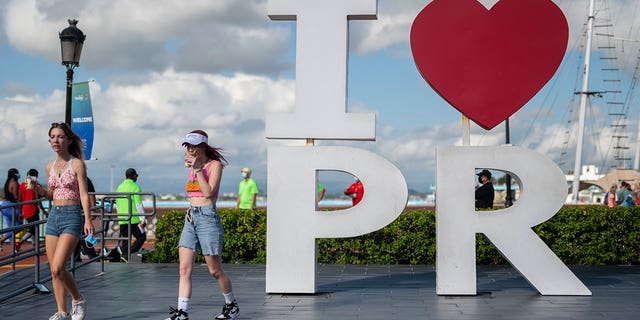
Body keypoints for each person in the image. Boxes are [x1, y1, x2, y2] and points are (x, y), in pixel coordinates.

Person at [164, 130, 239, 320]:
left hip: (207, 217)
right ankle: (182, 312)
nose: (190, 149)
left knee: (214, 270)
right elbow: (192, 191)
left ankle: (231, 305)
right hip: (191, 217)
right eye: (188, 146)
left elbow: (208, 193)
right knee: (184, 268)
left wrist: (198, 170)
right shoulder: (191, 165)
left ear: (203, 146)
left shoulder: (215, 166)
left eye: (194, 146)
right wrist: (193, 167)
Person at [37, 122, 93, 320]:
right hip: (54, 216)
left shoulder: (77, 164)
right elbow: (50, 194)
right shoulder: (48, 166)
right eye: (52, 137)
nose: (55, 140)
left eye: (60, 136)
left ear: (69, 140)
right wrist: (40, 191)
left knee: (58, 267)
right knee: (54, 271)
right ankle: (62, 311)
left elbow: (84, 194)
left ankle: (78, 299)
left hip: (72, 215)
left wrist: (87, 219)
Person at [115, 168, 147, 259]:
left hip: (122, 219)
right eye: (136, 176)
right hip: (133, 219)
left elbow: (117, 205)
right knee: (141, 237)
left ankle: (125, 258)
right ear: (133, 176)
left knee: (125, 241)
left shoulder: (119, 187)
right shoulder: (135, 187)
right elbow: (138, 205)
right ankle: (128, 254)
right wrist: (143, 219)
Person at [15, 169, 45, 251]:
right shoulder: (34, 184)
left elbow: (20, 199)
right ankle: (20, 242)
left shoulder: (22, 185)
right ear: (35, 176)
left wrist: (21, 212)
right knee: (34, 229)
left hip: (25, 210)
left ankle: (35, 247)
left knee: (33, 228)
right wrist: (44, 211)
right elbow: (37, 199)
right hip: (33, 209)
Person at [0, 168, 21, 250]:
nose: (19, 174)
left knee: (11, 227)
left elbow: (3, 196)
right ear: (14, 174)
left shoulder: (7, 183)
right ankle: (1, 240)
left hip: (4, 206)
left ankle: (14, 249)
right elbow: (16, 196)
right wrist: (20, 207)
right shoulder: (14, 183)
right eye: (17, 173)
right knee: (19, 226)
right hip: (11, 207)